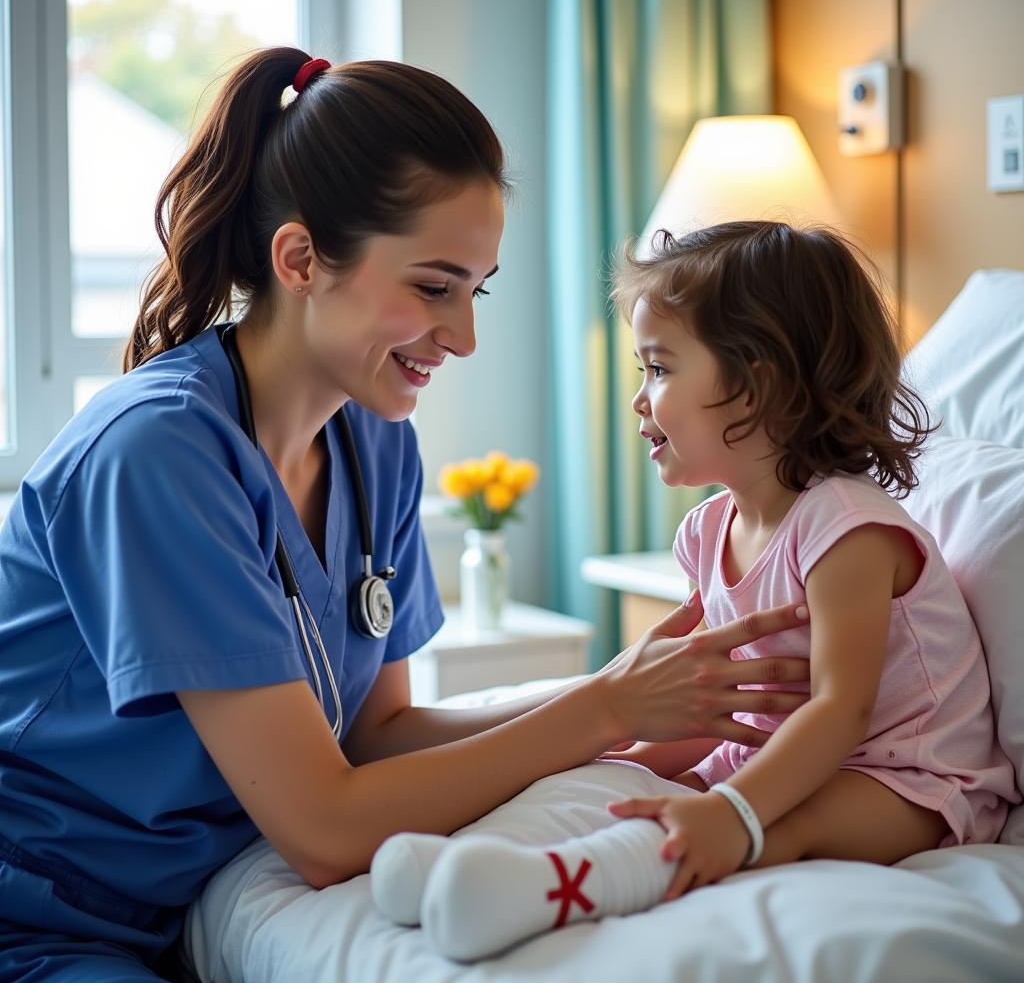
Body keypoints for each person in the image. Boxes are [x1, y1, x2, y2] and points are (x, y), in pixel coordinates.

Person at [0, 51, 813, 982]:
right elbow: (324, 829)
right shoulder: (159, 456)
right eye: (434, 287)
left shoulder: (374, 440)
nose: (464, 336)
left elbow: (376, 737)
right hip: (38, 915)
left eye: (477, 290)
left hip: (174, 907)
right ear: (300, 259)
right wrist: (604, 707)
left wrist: (624, 688)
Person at [372, 220, 1020, 963]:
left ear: (760, 383)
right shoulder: (709, 532)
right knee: (616, 776)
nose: (640, 401)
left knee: (789, 821)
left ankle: (555, 886)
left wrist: (732, 807)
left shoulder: (849, 532)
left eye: (659, 369)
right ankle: (463, 862)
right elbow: (724, 701)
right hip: (789, 748)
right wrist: (625, 756)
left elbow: (843, 711)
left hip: (909, 780)